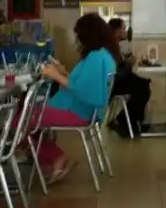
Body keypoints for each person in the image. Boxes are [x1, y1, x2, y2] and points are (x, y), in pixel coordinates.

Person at [33, 13, 119, 183]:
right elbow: (84, 82)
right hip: (83, 110)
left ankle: (56, 157)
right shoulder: (103, 55)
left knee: (20, 120)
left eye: (78, 35)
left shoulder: (95, 57)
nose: (77, 39)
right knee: (24, 117)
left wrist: (54, 76)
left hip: (77, 112)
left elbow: (85, 90)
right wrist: (62, 72)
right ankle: (51, 158)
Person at [107, 18, 152, 137]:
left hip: (117, 81)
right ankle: (127, 121)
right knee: (143, 87)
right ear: (116, 31)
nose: (125, 31)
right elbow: (116, 71)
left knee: (143, 84)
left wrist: (126, 62)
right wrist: (128, 64)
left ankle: (130, 121)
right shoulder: (111, 48)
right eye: (123, 28)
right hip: (114, 84)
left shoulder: (115, 45)